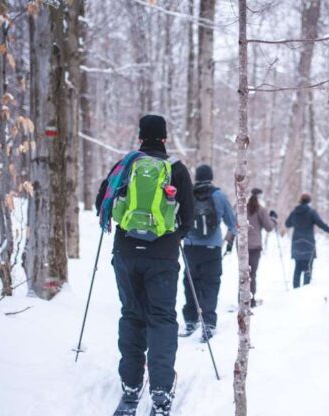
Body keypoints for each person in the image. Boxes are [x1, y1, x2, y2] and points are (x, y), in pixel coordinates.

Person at [96, 115, 193, 416]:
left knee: (132, 316)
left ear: (140, 137)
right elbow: (188, 219)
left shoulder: (125, 166)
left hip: (126, 254)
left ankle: (130, 389)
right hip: (162, 257)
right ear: (164, 138)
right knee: (162, 320)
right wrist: (167, 237)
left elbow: (103, 203)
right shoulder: (176, 169)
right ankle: (161, 393)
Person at [181, 164, 236, 342]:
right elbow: (233, 224)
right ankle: (209, 324)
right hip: (212, 249)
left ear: (196, 177)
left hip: (190, 248)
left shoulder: (187, 194)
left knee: (191, 284)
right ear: (211, 177)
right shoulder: (219, 196)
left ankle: (190, 320)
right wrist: (228, 242)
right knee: (211, 286)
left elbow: (178, 219)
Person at [285, 193, 329, 288]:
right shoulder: (311, 212)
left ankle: (295, 290)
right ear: (309, 201)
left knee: (297, 268)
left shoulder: (294, 212)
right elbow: (321, 224)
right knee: (308, 267)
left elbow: (287, 224)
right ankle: (305, 290)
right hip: (308, 243)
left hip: (296, 243)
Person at [246, 188, 277, 307]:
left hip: (242, 246)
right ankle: (251, 300)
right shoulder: (260, 210)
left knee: (244, 272)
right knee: (252, 274)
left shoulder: (241, 208)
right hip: (255, 246)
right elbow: (269, 227)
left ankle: (242, 299)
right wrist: (273, 219)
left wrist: (229, 241)